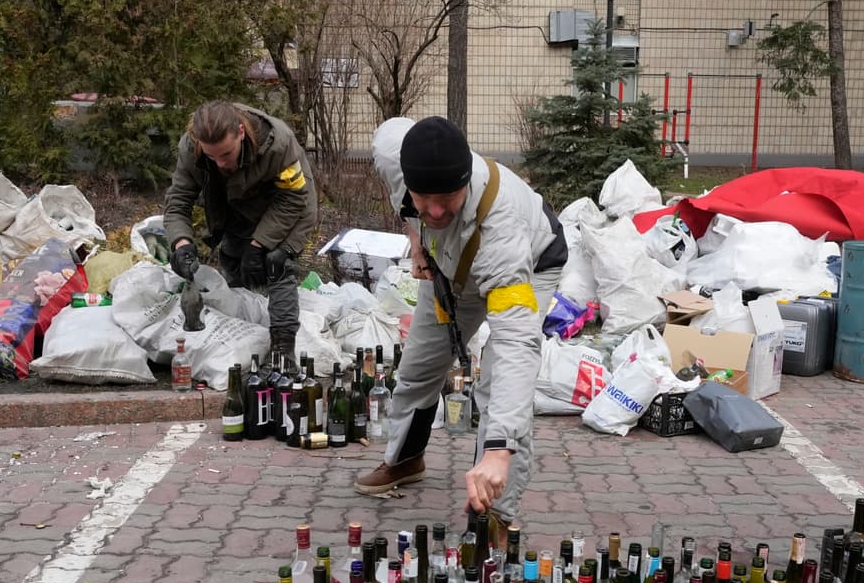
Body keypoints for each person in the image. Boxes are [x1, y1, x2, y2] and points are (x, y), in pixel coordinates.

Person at [356, 116, 567, 542]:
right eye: (423, 199)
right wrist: (417, 239)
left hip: (531, 264)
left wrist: (499, 447)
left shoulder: (503, 233)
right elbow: (392, 144)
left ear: (467, 181)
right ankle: (405, 458)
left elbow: (515, 345)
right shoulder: (397, 155)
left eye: (447, 198)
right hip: (452, 270)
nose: (434, 210)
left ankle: (495, 512)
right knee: (418, 366)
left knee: (497, 390)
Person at [163, 100, 318, 353]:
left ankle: (283, 350)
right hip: (235, 206)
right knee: (237, 267)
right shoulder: (191, 149)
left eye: (226, 154)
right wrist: (181, 243)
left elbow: (294, 199)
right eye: (211, 156)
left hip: (289, 206)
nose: (220, 163)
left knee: (275, 264)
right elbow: (178, 200)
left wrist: (259, 245)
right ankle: (242, 344)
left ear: (241, 133)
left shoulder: (278, 144)